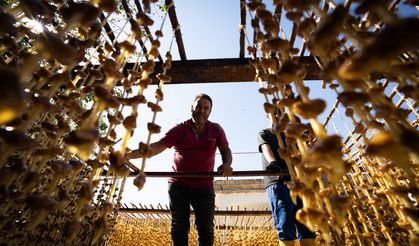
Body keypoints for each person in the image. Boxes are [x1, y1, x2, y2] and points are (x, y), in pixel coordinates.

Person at [127, 93, 233, 246]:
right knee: (179, 225)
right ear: (192, 107)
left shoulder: (216, 129)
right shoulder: (180, 129)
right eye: (198, 106)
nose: (201, 110)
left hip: (204, 186)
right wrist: (130, 155)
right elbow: (156, 147)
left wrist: (227, 165)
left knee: (206, 227)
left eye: (205, 108)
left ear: (210, 111)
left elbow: (226, 150)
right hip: (178, 184)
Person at [257, 109, 316, 246]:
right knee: (285, 224)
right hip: (278, 182)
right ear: (267, 115)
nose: (277, 115)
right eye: (274, 112)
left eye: (280, 113)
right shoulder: (265, 133)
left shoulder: (292, 135)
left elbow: (305, 150)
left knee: (306, 224)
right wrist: (273, 162)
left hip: (297, 182)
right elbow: (266, 149)